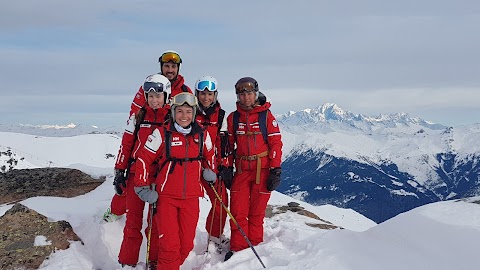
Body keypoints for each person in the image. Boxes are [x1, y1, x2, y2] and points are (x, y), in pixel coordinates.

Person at [104, 50, 192, 221]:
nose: (170, 70)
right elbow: (135, 114)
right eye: (167, 66)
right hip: (143, 143)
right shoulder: (149, 86)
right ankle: (115, 213)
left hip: (165, 152)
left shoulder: (183, 90)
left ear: (178, 68)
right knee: (128, 190)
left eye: (173, 67)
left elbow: (189, 117)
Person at [133, 92, 217, 270]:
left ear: (194, 113)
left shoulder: (202, 135)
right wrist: (142, 187)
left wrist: (210, 171)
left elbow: (210, 156)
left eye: (188, 111)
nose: (184, 116)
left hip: (191, 198)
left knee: (186, 245)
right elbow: (143, 159)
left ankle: (165, 266)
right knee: (170, 246)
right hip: (166, 199)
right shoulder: (162, 134)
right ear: (173, 112)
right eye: (180, 111)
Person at [223, 77, 283, 261]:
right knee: (238, 211)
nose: (246, 97)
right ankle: (238, 248)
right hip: (241, 170)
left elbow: (276, 144)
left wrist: (275, 170)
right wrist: (226, 167)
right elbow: (229, 145)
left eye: (249, 93)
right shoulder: (233, 118)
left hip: (262, 170)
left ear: (255, 94)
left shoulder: (266, 116)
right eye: (242, 94)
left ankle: (254, 246)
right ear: (238, 96)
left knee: (256, 213)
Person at [115, 74, 171, 268]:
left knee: (155, 224)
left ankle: (153, 261)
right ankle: (127, 261)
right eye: (150, 96)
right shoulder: (138, 117)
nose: (154, 100)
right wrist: (119, 170)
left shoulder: (172, 118)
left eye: (158, 96)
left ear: (166, 95)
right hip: (135, 175)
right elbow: (126, 144)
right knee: (132, 223)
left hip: (159, 177)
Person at [194, 76, 231, 252]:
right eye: (202, 93)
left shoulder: (221, 115)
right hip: (190, 166)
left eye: (210, 94)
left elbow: (223, 144)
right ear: (197, 94)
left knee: (221, 201)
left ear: (215, 95)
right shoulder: (189, 111)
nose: (206, 97)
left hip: (212, 166)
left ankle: (214, 236)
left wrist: (224, 166)